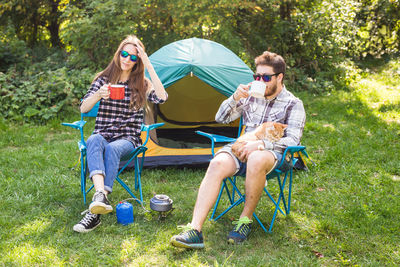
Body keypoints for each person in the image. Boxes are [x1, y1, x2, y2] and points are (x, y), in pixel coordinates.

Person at [170, 51, 305, 248]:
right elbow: (220, 118)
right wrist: (234, 97)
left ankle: (244, 221)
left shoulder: (294, 104)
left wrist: (260, 145)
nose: (260, 81)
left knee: (257, 158)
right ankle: (195, 230)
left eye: (266, 77)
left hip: (274, 154)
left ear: (280, 77)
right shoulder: (251, 96)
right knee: (216, 163)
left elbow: (293, 140)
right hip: (243, 148)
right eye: (257, 77)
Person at [73, 35, 168, 233]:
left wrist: (149, 65)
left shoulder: (142, 83)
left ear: (138, 61)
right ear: (118, 54)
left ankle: (95, 212)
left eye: (133, 57)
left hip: (128, 139)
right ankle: (101, 195)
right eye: (124, 54)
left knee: (112, 148)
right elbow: (83, 108)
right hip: (103, 132)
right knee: (93, 139)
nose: (127, 59)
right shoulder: (103, 79)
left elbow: (162, 97)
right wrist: (98, 94)